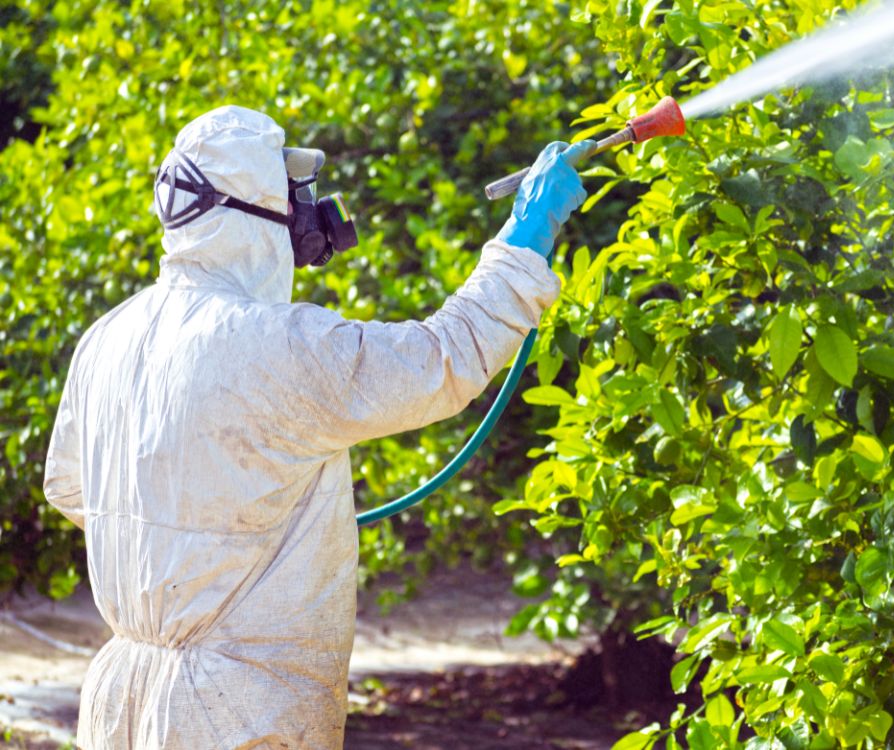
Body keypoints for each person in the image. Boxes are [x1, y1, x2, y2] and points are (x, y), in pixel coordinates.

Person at [42, 105, 592, 749]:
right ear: (249, 210)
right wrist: (523, 239)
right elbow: (441, 360)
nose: (307, 212)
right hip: (240, 707)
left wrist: (213, 532)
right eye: (290, 192)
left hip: (120, 702)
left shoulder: (108, 336)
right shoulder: (275, 343)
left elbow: (69, 488)